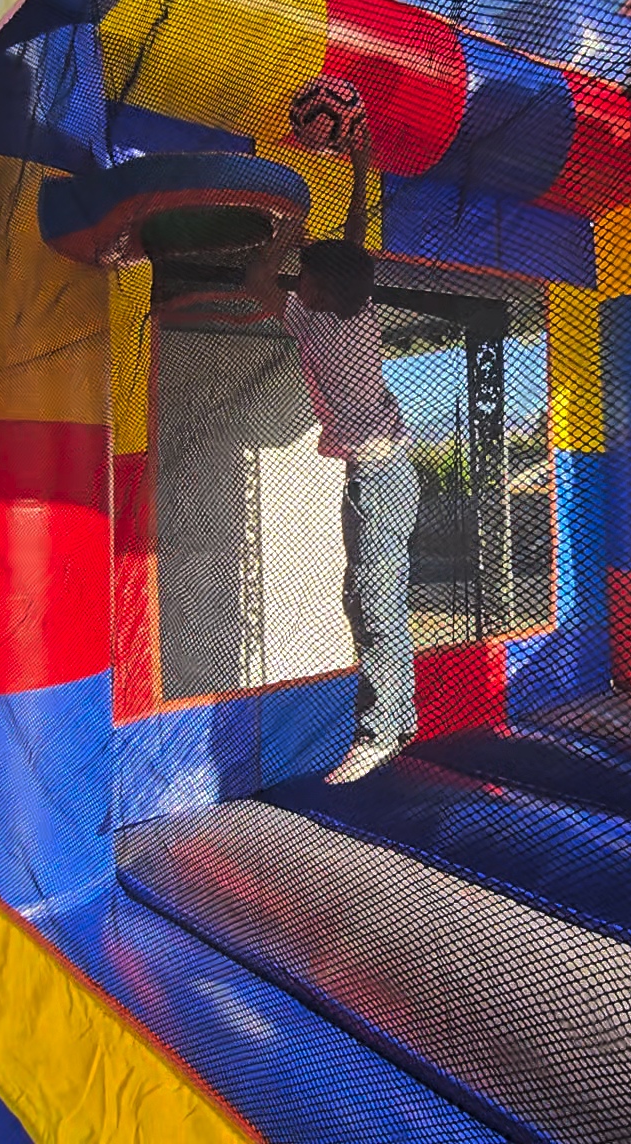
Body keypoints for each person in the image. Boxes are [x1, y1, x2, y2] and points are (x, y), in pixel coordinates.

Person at [245, 115, 421, 785]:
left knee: (373, 600)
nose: (298, 278)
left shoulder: (318, 322)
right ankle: (398, 719)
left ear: (316, 291)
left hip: (380, 477)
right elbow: (352, 243)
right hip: (378, 474)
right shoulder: (351, 308)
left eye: (304, 275)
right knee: (370, 597)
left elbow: (255, 283)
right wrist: (358, 164)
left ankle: (379, 732)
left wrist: (285, 231)